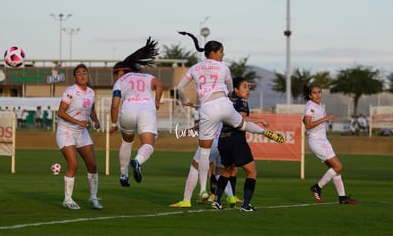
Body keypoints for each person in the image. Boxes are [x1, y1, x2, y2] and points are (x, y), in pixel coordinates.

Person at [176, 31, 284, 203]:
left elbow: (180, 88)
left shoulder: (195, 68)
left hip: (208, 108)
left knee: (203, 152)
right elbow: (229, 88)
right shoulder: (224, 67)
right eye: (221, 51)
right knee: (242, 125)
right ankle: (264, 133)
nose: (223, 54)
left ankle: (203, 190)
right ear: (213, 53)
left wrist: (185, 101)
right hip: (224, 105)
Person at [110, 37, 163, 187]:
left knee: (127, 142)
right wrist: (157, 101)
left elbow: (115, 105)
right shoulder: (147, 77)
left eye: (115, 73)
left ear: (121, 71)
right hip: (146, 109)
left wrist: (114, 123)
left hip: (128, 110)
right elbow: (159, 85)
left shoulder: (120, 81)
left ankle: (123, 176)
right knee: (148, 143)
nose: (115, 77)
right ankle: (138, 161)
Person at [211, 77, 269, 211]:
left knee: (228, 170)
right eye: (244, 87)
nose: (247, 90)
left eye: (249, 87)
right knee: (252, 172)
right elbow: (242, 119)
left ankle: (216, 201)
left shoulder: (226, 101)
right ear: (236, 89)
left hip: (223, 139)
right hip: (236, 140)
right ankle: (246, 205)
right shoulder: (242, 101)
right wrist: (260, 119)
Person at [56, 64, 102, 210]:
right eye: (79, 73)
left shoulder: (91, 92)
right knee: (73, 165)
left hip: (82, 133)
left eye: (84, 72)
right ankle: (67, 199)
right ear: (75, 77)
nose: (82, 75)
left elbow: (91, 109)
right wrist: (79, 122)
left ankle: (94, 198)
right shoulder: (70, 91)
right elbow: (61, 112)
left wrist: (95, 120)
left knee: (93, 166)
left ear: (88, 75)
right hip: (66, 131)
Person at [302, 84, 359, 205]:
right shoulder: (311, 106)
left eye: (319, 92)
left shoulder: (317, 106)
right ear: (310, 95)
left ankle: (342, 198)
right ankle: (317, 187)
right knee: (338, 167)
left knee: (335, 170)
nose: (318, 95)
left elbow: (305, 121)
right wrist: (325, 118)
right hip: (317, 141)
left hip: (323, 141)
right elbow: (307, 125)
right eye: (314, 93)